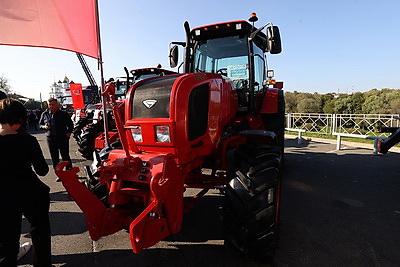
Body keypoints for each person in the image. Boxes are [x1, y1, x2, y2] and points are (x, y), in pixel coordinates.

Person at [0, 98, 51, 267]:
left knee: (7, 237)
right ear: (20, 119)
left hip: (4, 196)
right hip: (31, 191)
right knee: (40, 230)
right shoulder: (27, 140)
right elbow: (42, 170)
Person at [39, 98, 73, 178]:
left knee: (65, 155)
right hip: (51, 139)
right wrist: (44, 127)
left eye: (53, 104)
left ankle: (69, 171)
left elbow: (70, 124)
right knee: (54, 157)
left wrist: (69, 132)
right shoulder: (45, 114)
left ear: (57, 104)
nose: (51, 106)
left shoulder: (63, 114)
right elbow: (39, 125)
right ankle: (59, 174)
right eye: (49, 105)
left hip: (62, 138)